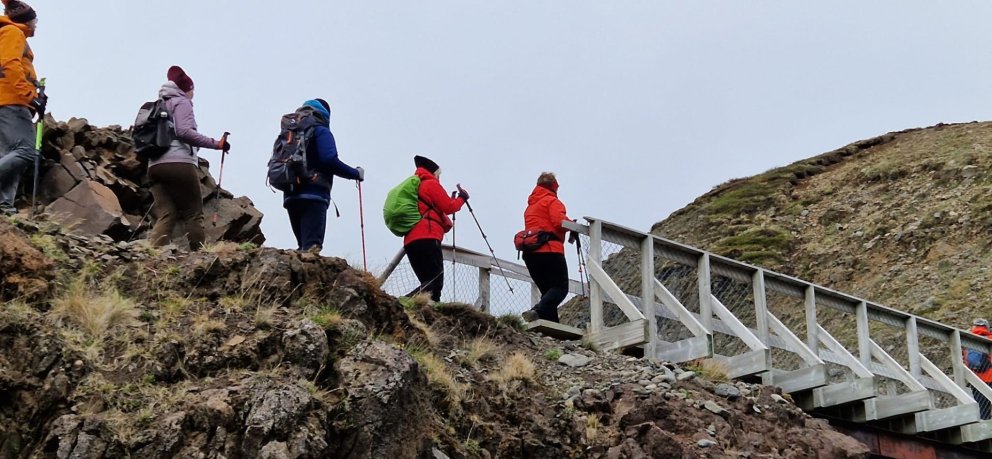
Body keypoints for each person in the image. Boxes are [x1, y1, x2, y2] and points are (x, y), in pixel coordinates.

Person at [147, 66, 229, 250]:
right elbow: (183, 131)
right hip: (178, 163)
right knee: (193, 213)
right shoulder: (181, 102)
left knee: (167, 213)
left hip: (154, 165)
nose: (194, 93)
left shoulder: (158, 105)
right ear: (186, 88)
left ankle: (152, 256)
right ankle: (200, 257)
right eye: (193, 89)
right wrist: (216, 144)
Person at [282, 98, 364, 251]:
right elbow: (329, 159)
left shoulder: (291, 132)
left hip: (290, 195)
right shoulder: (321, 130)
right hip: (314, 194)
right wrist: (355, 173)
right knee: (311, 248)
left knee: (303, 248)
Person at [404, 155, 467, 302]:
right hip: (427, 236)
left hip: (411, 240)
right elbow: (449, 207)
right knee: (435, 280)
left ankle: (426, 309)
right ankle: (407, 300)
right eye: (438, 174)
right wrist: (462, 198)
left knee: (428, 281)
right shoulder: (430, 184)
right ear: (434, 172)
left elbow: (431, 208)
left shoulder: (416, 186)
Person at [0, 0, 42, 216]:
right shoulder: (13, 32)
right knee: (25, 151)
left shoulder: (7, 32)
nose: (36, 24)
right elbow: (9, 63)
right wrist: (29, 95)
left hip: (5, 100)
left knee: (9, 154)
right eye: (34, 19)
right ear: (26, 19)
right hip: (11, 101)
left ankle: (4, 206)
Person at [520, 172, 572, 323]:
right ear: (554, 186)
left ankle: (551, 328)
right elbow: (558, 221)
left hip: (530, 253)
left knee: (548, 291)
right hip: (550, 250)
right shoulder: (552, 201)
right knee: (560, 287)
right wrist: (572, 225)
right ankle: (536, 311)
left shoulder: (530, 207)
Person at [966, 318, 992, 420]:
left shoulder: (968, 339)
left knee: (982, 408)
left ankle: (986, 428)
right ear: (986, 327)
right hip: (990, 377)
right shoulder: (990, 338)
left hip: (976, 380)